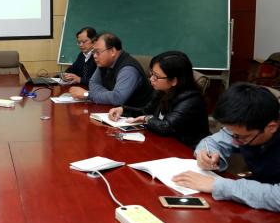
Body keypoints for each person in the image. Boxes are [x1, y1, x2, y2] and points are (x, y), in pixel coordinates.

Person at [172, 83, 280, 211]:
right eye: (232, 133)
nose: (233, 141)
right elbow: (212, 141)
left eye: (241, 137)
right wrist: (207, 154)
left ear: (271, 127)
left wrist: (218, 185)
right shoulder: (245, 126)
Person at [107, 51, 209, 147]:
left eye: (156, 76)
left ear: (173, 80)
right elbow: (145, 112)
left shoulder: (191, 100)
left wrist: (147, 119)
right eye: (151, 73)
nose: (151, 79)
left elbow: (166, 127)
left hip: (185, 150)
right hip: (163, 144)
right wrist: (123, 109)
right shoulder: (162, 91)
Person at [69, 32, 153, 106]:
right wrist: (108, 96)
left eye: (98, 52)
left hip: (135, 115)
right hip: (113, 109)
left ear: (112, 51)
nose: (94, 56)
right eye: (93, 52)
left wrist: (87, 94)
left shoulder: (128, 69)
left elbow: (117, 98)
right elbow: (93, 83)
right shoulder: (104, 63)